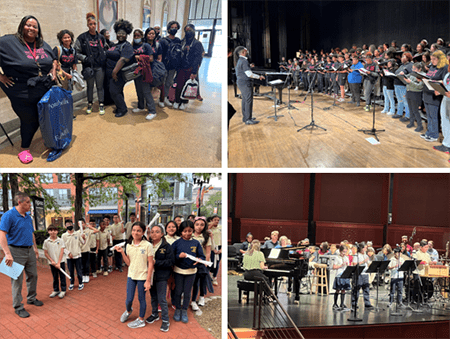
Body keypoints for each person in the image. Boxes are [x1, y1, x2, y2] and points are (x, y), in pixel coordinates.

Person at [0, 15, 57, 164]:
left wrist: (54, 70)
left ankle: (48, 140)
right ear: (21, 26)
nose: (31, 28)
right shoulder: (8, 42)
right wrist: (0, 77)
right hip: (20, 90)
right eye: (28, 25)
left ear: (38, 30)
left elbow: (54, 58)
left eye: (35, 26)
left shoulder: (42, 44)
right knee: (29, 119)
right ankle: (24, 148)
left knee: (42, 116)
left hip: (42, 87)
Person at [0, 192, 42, 317]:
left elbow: (31, 233)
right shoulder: (8, 216)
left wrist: (35, 248)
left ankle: (31, 298)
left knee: (33, 275)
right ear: (20, 202)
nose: (30, 205)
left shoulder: (28, 217)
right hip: (15, 251)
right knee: (16, 280)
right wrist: (7, 253)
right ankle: (18, 306)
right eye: (28, 202)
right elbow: (2, 234)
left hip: (29, 251)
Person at [117, 222, 154, 329]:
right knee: (129, 299)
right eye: (134, 230)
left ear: (143, 232)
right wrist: (122, 253)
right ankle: (128, 310)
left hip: (143, 277)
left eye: (138, 230)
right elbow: (129, 263)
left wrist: (148, 280)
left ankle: (141, 320)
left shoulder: (148, 245)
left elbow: (151, 263)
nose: (135, 232)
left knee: (142, 299)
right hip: (131, 276)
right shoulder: (129, 245)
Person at [171, 221, 205, 324]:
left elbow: (202, 256)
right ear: (180, 232)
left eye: (190, 231)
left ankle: (184, 310)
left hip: (191, 272)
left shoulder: (196, 243)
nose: (187, 233)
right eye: (185, 231)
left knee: (187, 292)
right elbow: (171, 257)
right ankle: (177, 309)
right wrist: (178, 256)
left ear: (192, 231)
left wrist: (199, 259)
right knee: (178, 291)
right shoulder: (176, 243)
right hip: (178, 271)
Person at [75, 12, 107, 115]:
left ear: (96, 24)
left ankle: (101, 104)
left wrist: (104, 56)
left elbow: (106, 48)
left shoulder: (101, 37)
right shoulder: (82, 38)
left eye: (94, 24)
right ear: (87, 25)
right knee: (90, 86)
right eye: (90, 24)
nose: (92, 26)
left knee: (100, 86)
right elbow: (76, 52)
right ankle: (89, 104)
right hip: (89, 67)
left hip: (99, 67)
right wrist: (85, 58)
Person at [146, 224, 174, 332]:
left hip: (161, 276)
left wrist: (156, 262)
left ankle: (166, 320)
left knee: (162, 299)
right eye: (152, 232)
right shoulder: (148, 245)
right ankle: (154, 314)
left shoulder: (167, 247)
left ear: (162, 234)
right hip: (150, 275)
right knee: (153, 297)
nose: (154, 234)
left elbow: (171, 262)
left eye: (157, 232)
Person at [105, 19, 134, 118]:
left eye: (123, 33)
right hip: (110, 73)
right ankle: (119, 106)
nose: (121, 35)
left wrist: (114, 72)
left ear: (127, 34)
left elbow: (122, 60)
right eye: (119, 33)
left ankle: (123, 109)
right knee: (118, 91)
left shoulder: (127, 46)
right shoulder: (116, 45)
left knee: (114, 91)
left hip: (118, 74)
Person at [172, 24, 204, 110]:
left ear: (193, 31)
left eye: (190, 30)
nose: (188, 32)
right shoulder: (182, 42)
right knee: (179, 84)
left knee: (187, 86)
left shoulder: (197, 44)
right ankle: (177, 100)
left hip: (190, 68)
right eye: (186, 31)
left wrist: (194, 72)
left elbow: (198, 58)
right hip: (181, 67)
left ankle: (184, 102)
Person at [421, 50, 448, 142]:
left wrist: (437, 83)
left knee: (434, 116)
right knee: (428, 116)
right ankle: (429, 132)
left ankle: (434, 134)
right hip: (427, 93)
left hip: (435, 95)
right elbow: (430, 77)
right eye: (431, 59)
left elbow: (445, 82)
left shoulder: (444, 68)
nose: (432, 61)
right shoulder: (432, 67)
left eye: (434, 59)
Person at [234, 46, 264, 125]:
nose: (247, 52)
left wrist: (249, 67)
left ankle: (246, 117)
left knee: (245, 100)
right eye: (246, 51)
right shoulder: (244, 61)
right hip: (245, 83)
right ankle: (248, 119)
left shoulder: (240, 60)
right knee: (248, 101)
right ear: (243, 52)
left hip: (241, 82)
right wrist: (259, 76)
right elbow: (249, 74)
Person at [131, 28, 157, 120]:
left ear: (142, 36)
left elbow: (151, 58)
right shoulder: (132, 46)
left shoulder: (146, 45)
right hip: (136, 71)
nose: (136, 37)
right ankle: (141, 106)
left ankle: (152, 111)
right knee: (138, 90)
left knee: (146, 91)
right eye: (135, 36)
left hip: (145, 71)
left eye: (138, 36)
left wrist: (140, 57)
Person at [191, 217, 211, 312]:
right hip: (192, 262)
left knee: (202, 281)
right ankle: (193, 300)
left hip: (202, 262)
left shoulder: (206, 237)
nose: (199, 227)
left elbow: (208, 252)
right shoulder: (190, 235)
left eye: (202, 225)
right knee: (194, 281)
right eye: (197, 224)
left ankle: (202, 296)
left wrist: (205, 263)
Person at [159, 20, 181, 108]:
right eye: (172, 27)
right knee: (162, 82)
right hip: (164, 65)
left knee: (169, 82)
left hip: (173, 65)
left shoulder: (178, 40)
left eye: (176, 28)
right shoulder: (163, 41)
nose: (174, 29)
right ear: (168, 29)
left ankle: (165, 98)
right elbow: (160, 53)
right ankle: (160, 99)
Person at [43, 224, 67, 299]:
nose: (53, 232)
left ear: (57, 231)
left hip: (61, 262)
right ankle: (56, 290)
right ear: (48, 231)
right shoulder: (46, 241)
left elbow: (62, 251)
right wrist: (52, 261)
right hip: (52, 263)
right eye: (51, 230)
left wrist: (59, 262)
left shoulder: (61, 240)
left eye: (54, 230)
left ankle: (63, 290)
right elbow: (46, 253)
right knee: (55, 277)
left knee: (62, 276)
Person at [433, 53, 450, 154]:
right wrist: (439, 90)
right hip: (445, 99)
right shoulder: (448, 73)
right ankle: (446, 144)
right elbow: (445, 83)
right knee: (445, 122)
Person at [61, 220, 85, 291]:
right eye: (67, 224)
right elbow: (62, 246)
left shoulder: (77, 234)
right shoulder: (64, 236)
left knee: (79, 270)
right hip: (69, 257)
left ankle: (81, 283)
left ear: (73, 225)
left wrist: (84, 238)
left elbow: (83, 242)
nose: (69, 225)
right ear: (65, 226)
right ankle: (72, 283)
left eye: (70, 224)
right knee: (71, 271)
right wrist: (68, 253)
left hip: (77, 255)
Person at [351, 242, 374, 310]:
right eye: (365, 248)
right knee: (356, 289)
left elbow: (368, 264)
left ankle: (367, 303)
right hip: (359, 274)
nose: (366, 249)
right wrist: (363, 261)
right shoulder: (357, 255)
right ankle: (354, 303)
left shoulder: (366, 255)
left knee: (366, 289)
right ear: (361, 248)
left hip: (365, 274)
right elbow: (354, 264)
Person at [403, 62, 425, 131]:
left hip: (416, 94)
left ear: (419, 69)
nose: (413, 70)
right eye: (412, 68)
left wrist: (410, 82)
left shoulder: (422, 75)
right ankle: (411, 122)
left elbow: (420, 86)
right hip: (409, 92)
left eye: (414, 69)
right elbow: (407, 81)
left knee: (415, 110)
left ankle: (420, 125)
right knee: (410, 109)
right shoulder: (412, 74)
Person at [393, 52, 413, 120]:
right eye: (402, 57)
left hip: (403, 85)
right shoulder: (401, 65)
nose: (402, 58)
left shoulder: (410, 65)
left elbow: (410, 74)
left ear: (408, 58)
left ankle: (407, 116)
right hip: (397, 84)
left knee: (405, 101)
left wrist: (403, 74)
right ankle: (399, 113)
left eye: (404, 57)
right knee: (399, 100)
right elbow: (396, 72)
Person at [79, 218, 99, 283]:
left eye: (82, 223)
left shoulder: (88, 231)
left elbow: (97, 230)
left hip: (87, 250)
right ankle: (83, 275)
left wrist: (90, 227)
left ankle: (87, 275)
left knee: (87, 264)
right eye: (79, 223)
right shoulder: (77, 232)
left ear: (84, 223)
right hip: (80, 251)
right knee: (81, 264)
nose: (81, 225)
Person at [332, 245, 351, 311]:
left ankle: (342, 303)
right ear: (340, 251)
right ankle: (335, 303)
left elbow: (348, 265)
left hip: (345, 275)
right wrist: (341, 265)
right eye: (343, 252)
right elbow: (334, 267)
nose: (344, 253)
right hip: (339, 275)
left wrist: (348, 265)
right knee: (338, 289)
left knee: (343, 290)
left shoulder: (346, 257)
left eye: (345, 252)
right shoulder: (337, 257)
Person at [209, 215, 222, 286]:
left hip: (219, 246)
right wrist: (213, 249)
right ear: (211, 220)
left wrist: (221, 249)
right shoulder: (209, 228)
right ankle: (210, 274)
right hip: (211, 247)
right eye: (215, 220)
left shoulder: (221, 228)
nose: (216, 221)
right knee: (211, 263)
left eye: (218, 220)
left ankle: (214, 277)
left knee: (217, 263)